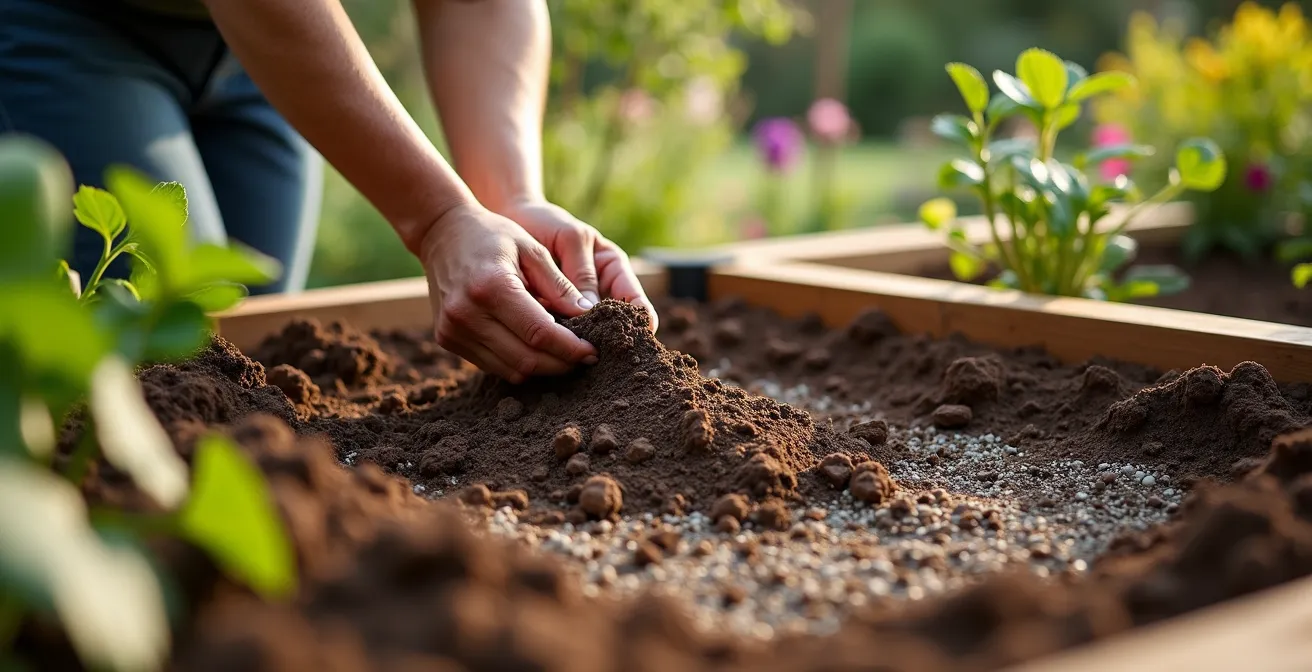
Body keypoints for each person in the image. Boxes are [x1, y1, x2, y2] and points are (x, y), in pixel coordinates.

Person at [0, 0, 657, 383]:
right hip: (70, 21)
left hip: (272, 48)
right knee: (167, 346)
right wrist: (438, 219)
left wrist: (505, 199)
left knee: (242, 366)